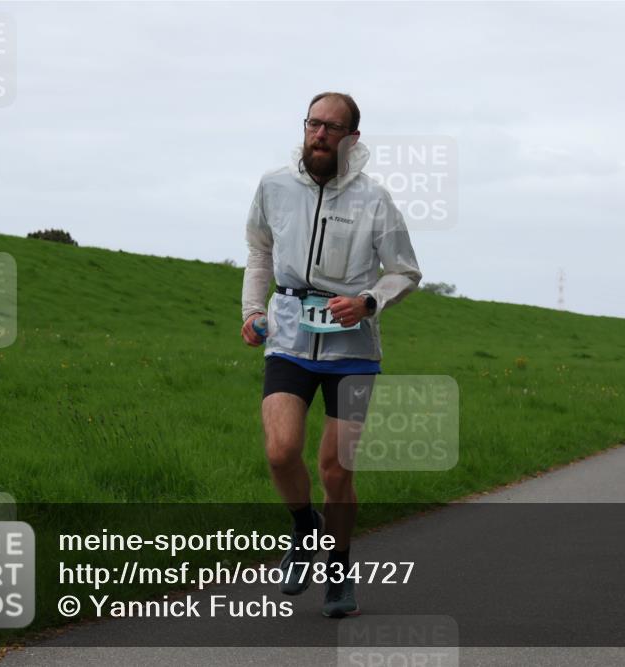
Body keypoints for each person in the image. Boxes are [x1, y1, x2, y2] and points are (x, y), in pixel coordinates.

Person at [240, 92, 421, 618]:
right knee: (280, 451)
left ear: (352, 138)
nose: (319, 134)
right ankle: (304, 527)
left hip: (352, 351)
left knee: (337, 472)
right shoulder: (274, 185)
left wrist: (368, 302)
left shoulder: (375, 200)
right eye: (313, 124)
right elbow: (259, 250)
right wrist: (253, 310)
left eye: (331, 127)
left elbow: (405, 271)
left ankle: (339, 571)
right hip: (290, 338)